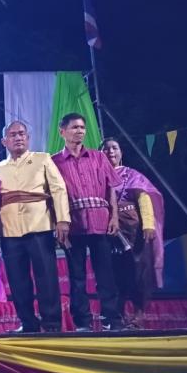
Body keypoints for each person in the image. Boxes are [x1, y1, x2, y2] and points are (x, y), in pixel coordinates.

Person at [0, 121, 70, 333]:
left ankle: (52, 324)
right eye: (13, 135)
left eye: (21, 134)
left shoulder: (42, 159)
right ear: (4, 141)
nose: (18, 137)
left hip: (40, 227)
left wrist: (62, 220)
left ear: (28, 138)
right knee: (18, 281)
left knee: (47, 277)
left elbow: (58, 189)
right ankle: (28, 323)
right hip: (9, 231)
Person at [52, 113, 122, 330]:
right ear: (62, 132)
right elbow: (52, 196)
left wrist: (114, 216)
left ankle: (112, 318)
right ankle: (82, 321)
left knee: (106, 273)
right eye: (74, 127)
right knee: (77, 275)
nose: (80, 131)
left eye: (82, 127)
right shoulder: (53, 162)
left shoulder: (98, 157)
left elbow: (111, 188)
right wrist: (58, 224)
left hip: (101, 221)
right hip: (73, 224)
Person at [101, 138, 164, 327]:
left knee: (138, 272)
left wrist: (148, 225)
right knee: (114, 274)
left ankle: (138, 314)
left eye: (114, 148)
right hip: (109, 232)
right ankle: (117, 316)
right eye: (106, 149)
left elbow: (144, 199)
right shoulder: (98, 176)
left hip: (134, 232)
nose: (110, 152)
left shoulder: (131, 175)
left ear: (121, 152)